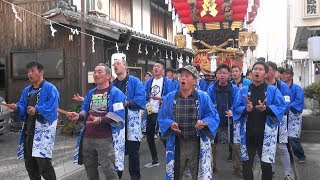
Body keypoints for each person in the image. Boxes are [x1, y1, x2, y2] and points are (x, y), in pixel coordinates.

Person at [158, 65, 220, 179]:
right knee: (175, 174)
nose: (183, 78)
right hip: (177, 142)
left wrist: (203, 122)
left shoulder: (203, 97)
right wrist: (171, 123)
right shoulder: (170, 97)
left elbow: (213, 116)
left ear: (195, 81)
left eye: (187, 76)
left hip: (197, 142)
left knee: (199, 174)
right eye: (181, 76)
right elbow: (162, 117)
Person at [67, 63, 126, 180]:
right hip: (88, 137)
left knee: (109, 170)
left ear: (109, 76)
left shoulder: (116, 93)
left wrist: (100, 119)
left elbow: (119, 115)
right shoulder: (91, 93)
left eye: (100, 72)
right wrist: (78, 116)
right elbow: (85, 110)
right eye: (95, 72)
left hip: (105, 138)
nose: (96, 74)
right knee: (90, 170)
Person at [4, 61, 59, 180]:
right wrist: (17, 107)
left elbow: (52, 108)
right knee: (30, 164)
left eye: (32, 71)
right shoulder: (26, 90)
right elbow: (22, 105)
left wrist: (37, 109)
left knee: (44, 165)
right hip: (28, 131)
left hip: (43, 134)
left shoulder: (50, 88)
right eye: (28, 71)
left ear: (41, 72)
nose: (30, 74)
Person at [233, 61, 287, 180]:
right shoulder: (243, 90)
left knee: (266, 167)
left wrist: (266, 108)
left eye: (260, 69)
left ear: (266, 74)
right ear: (251, 73)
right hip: (248, 134)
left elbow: (281, 106)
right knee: (247, 166)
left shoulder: (272, 90)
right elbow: (235, 108)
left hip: (266, 135)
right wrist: (245, 109)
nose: (257, 71)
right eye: (255, 69)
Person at [112, 53, 146, 180]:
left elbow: (141, 98)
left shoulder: (135, 81)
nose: (115, 66)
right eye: (114, 64)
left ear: (125, 67)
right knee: (116, 152)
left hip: (131, 120)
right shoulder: (112, 84)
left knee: (133, 153)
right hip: (117, 121)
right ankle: (117, 177)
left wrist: (127, 102)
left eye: (118, 63)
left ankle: (135, 177)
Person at [207, 64, 242, 177]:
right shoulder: (211, 88)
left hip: (230, 122)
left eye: (225, 73)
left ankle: (237, 168)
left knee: (235, 145)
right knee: (212, 146)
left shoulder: (234, 89)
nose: (222, 75)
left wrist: (232, 110)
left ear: (229, 75)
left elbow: (238, 103)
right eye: (220, 73)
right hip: (215, 122)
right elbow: (208, 104)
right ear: (216, 75)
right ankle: (212, 166)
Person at [265, 61, 292, 179]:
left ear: (275, 72)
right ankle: (268, 171)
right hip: (264, 120)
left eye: (268, 69)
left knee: (281, 147)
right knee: (265, 148)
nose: (264, 71)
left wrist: (272, 110)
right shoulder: (259, 84)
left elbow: (286, 105)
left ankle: (287, 174)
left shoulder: (283, 86)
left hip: (280, 120)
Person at [144, 60, 173, 168]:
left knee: (163, 136)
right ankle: (154, 159)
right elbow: (144, 93)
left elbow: (171, 96)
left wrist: (161, 98)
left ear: (162, 69)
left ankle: (172, 157)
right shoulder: (149, 81)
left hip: (162, 112)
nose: (156, 68)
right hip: (150, 111)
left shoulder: (167, 82)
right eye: (154, 66)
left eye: (158, 66)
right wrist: (146, 100)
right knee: (149, 135)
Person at [282, 69, 306, 163]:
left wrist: (287, 106)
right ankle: (289, 157)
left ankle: (301, 155)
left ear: (291, 76)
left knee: (293, 137)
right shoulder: (281, 88)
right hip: (283, 115)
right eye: (282, 74)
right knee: (284, 138)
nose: (283, 75)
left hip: (294, 116)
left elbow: (299, 102)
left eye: (286, 74)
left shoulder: (297, 88)